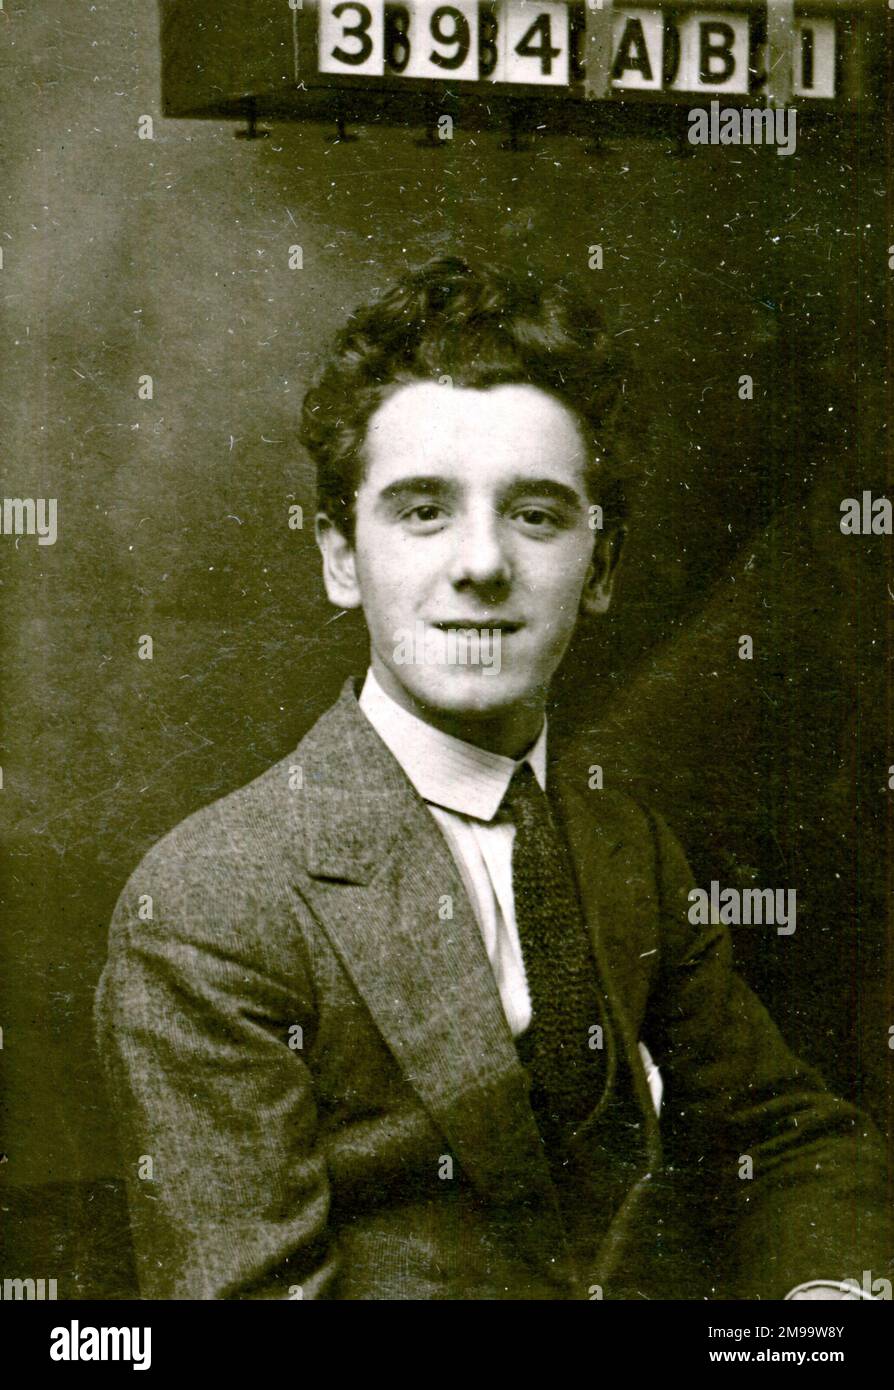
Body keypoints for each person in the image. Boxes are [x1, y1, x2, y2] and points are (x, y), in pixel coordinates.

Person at [95, 256, 891, 1300]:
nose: (482, 564)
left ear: (599, 569)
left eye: (537, 515)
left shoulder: (623, 847)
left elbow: (790, 1140)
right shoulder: (212, 902)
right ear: (341, 556)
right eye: (423, 510)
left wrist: (821, 1309)